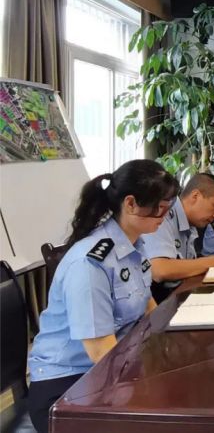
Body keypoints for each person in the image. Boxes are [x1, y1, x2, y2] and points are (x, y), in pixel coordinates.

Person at [27, 160, 180, 433]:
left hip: (110, 368)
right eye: (161, 207)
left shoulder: (135, 244)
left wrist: (167, 349)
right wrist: (146, 381)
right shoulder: (90, 264)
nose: (165, 216)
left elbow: (147, 304)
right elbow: (101, 352)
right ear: (130, 204)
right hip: (68, 386)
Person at [142, 172, 214, 302]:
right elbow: (160, 270)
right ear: (195, 196)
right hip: (160, 301)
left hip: (178, 295)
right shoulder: (163, 214)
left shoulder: (191, 223)